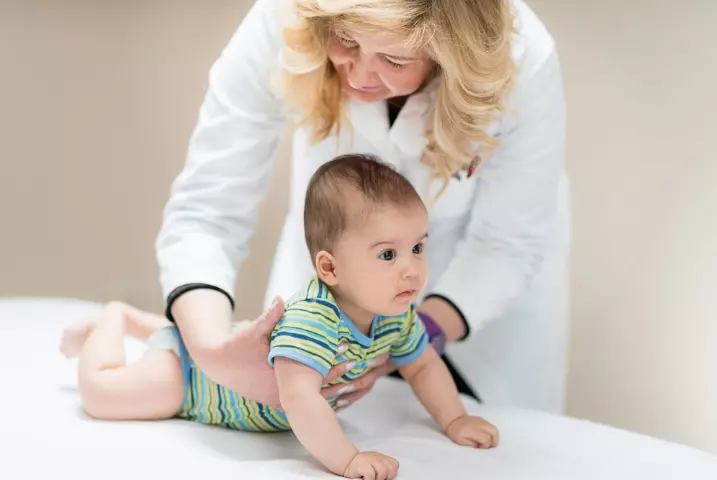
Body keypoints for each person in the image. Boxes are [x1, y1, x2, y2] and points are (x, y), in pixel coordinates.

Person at [156, 0, 570, 414]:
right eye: (346, 41)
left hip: (480, 297)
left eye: (394, 58)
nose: (358, 75)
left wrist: (402, 341)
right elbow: (208, 207)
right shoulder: (286, 14)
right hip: (334, 296)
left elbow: (505, 244)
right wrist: (211, 350)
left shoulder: (521, 57)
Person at [62, 155, 499, 480]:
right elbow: (300, 398)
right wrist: (346, 458)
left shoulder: (395, 313)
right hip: (195, 381)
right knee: (103, 395)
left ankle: (146, 324)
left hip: (221, 355)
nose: (412, 268)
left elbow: (422, 364)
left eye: (418, 247)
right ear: (329, 268)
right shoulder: (314, 321)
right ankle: (112, 321)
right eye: (388, 254)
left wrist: (454, 418)